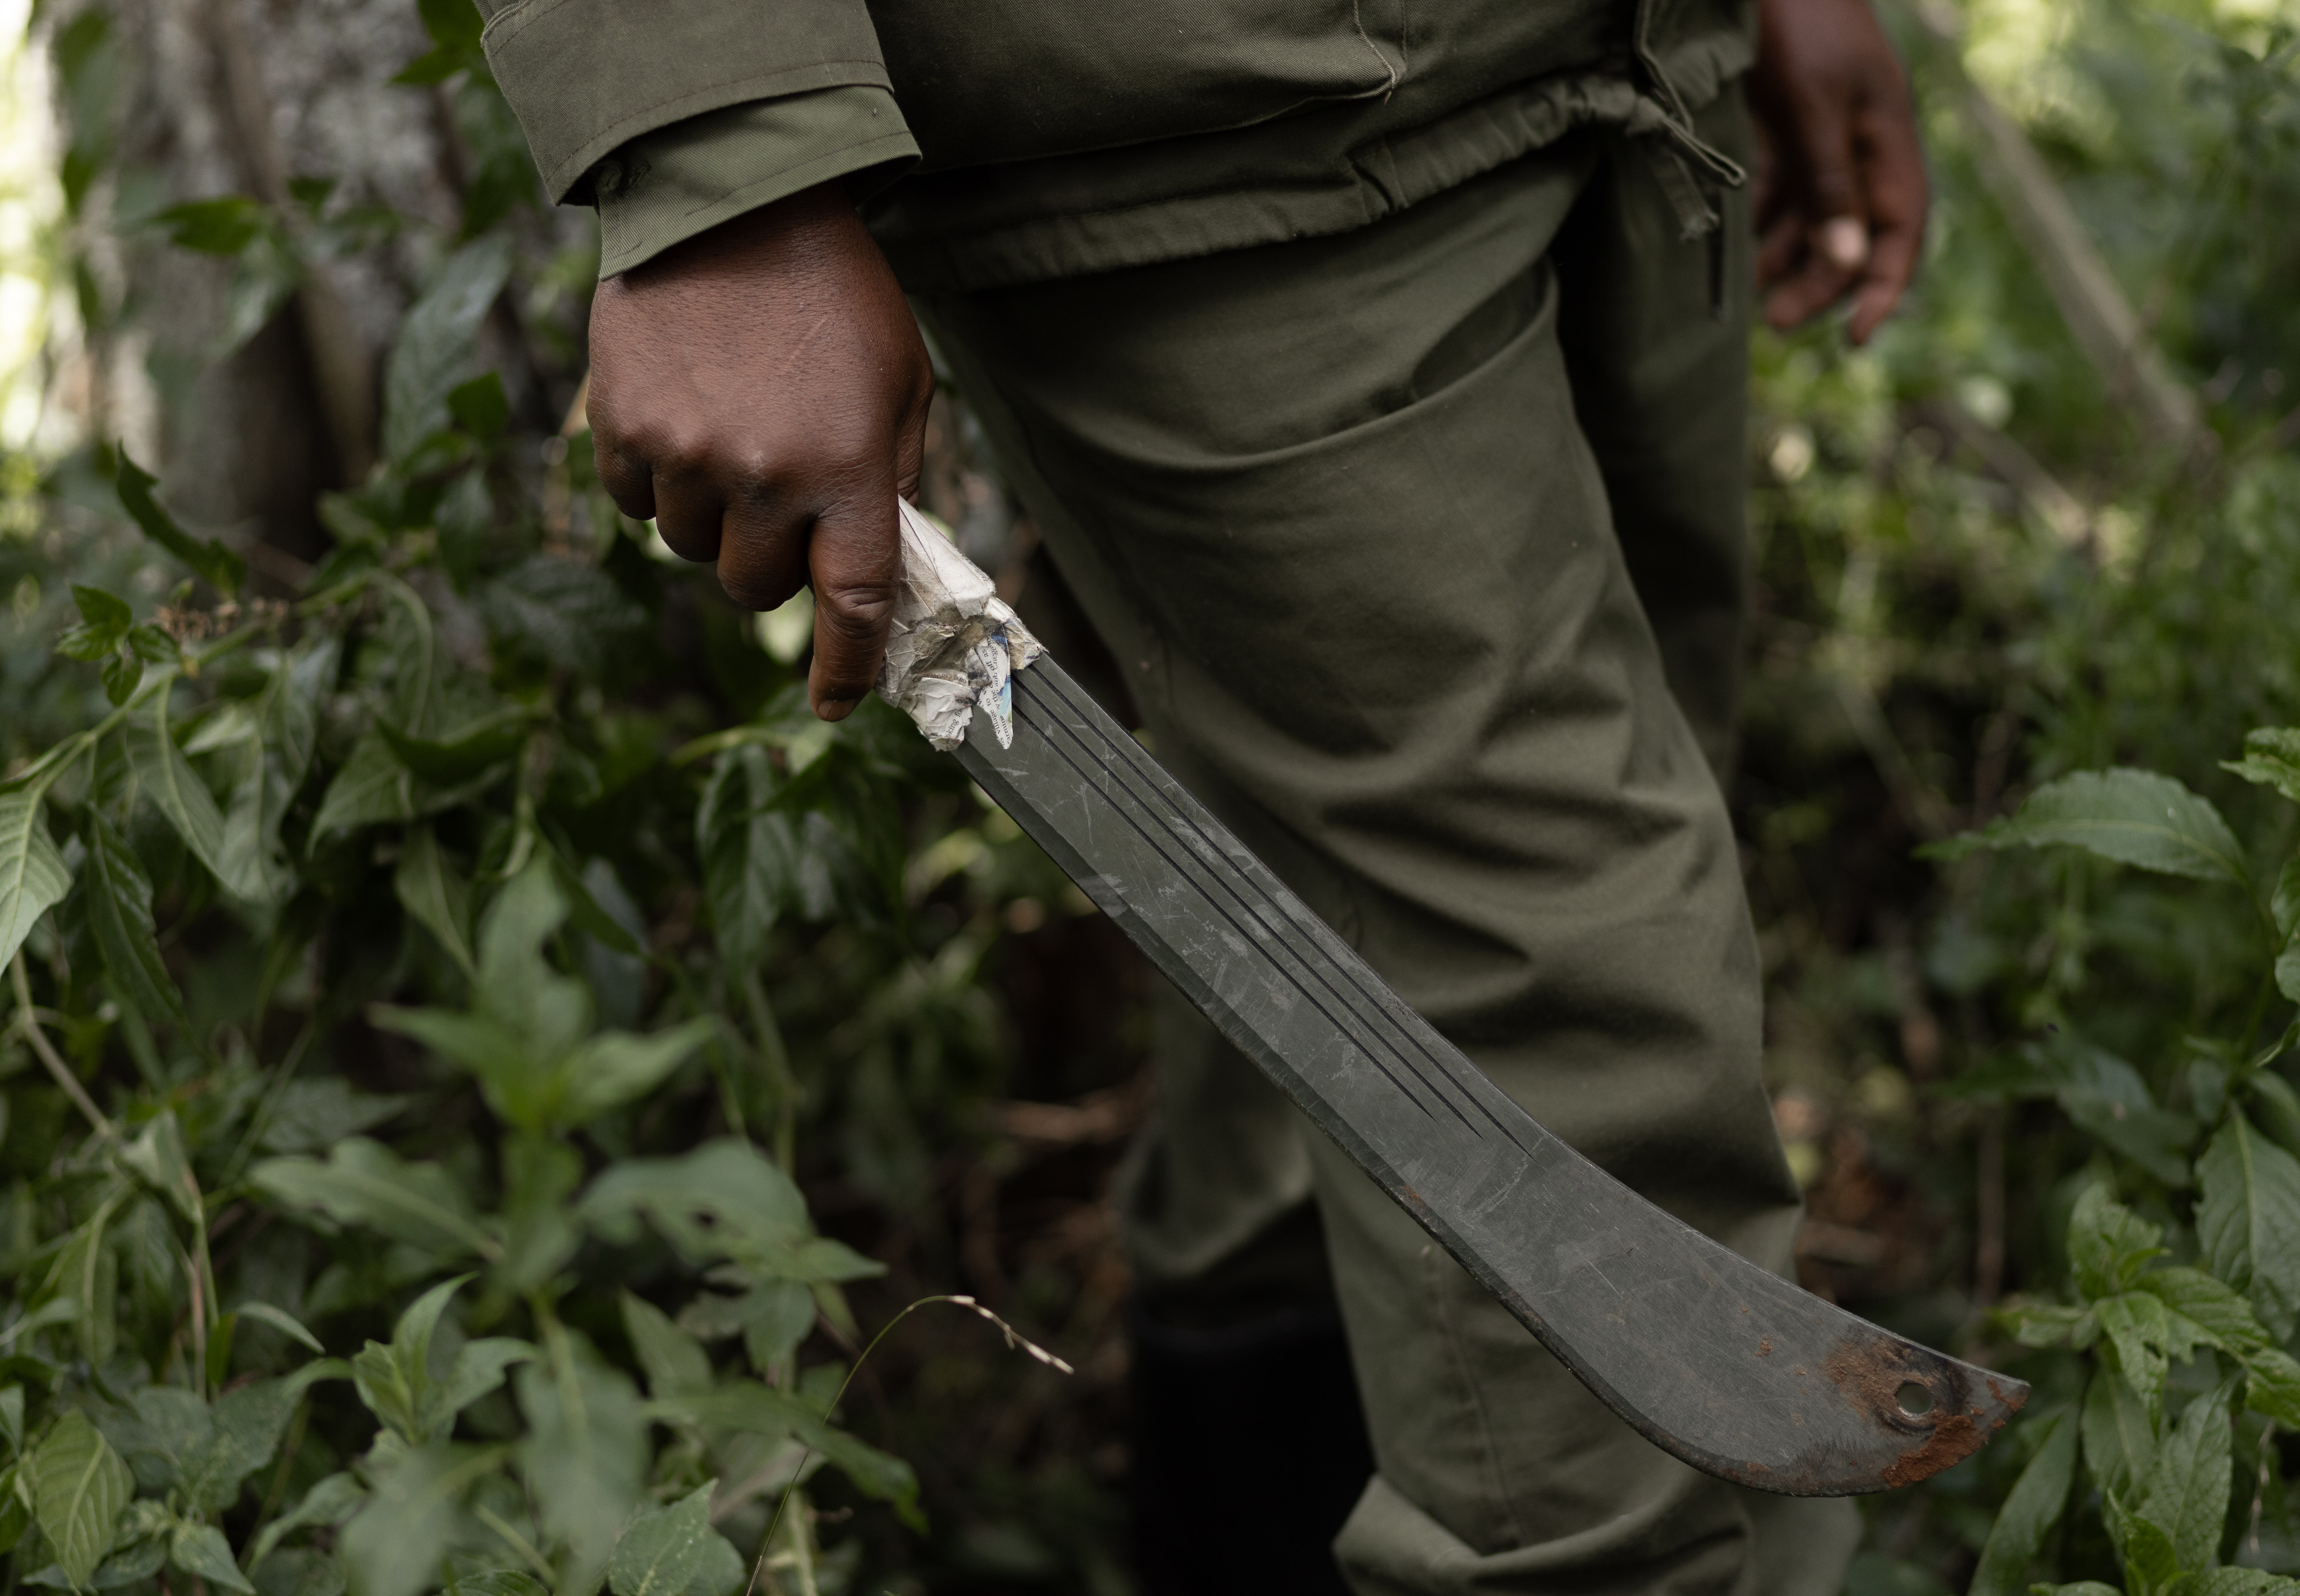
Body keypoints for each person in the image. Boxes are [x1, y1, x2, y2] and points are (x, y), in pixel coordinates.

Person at [472, 0, 1927, 1590]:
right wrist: (714, 165)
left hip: (1609, 60)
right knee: (1574, 991)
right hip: (1175, 120)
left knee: (1408, 910)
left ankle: (1242, 1534)